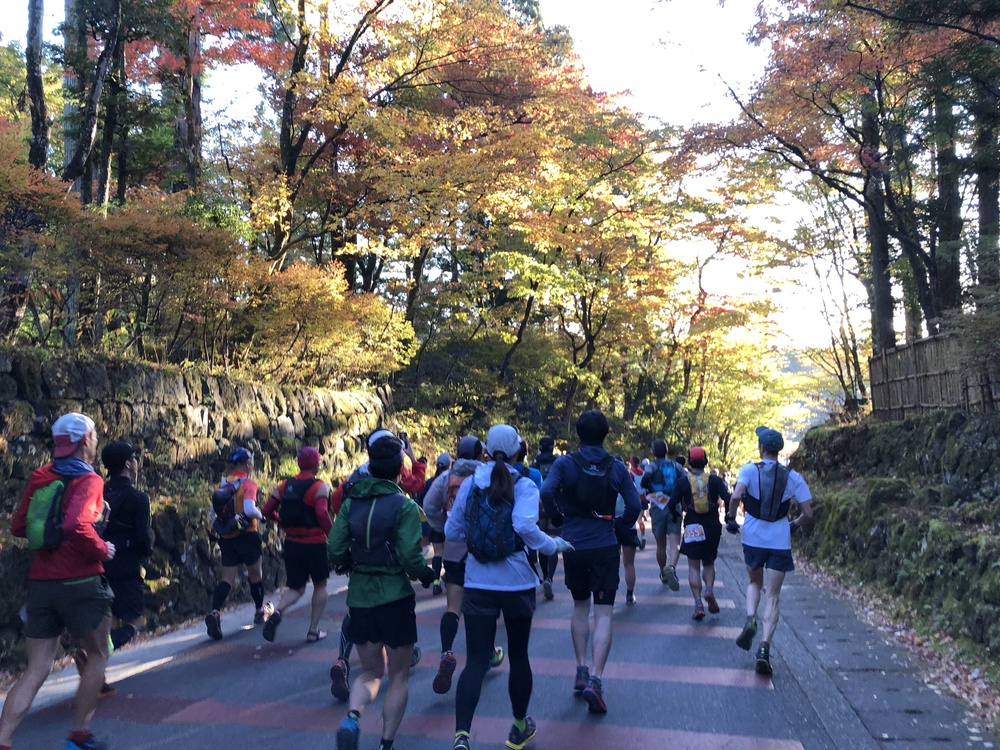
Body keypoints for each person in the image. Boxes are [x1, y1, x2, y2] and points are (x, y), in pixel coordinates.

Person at [445, 425, 573, 750]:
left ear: (485, 450)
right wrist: (552, 546)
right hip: (517, 582)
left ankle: (461, 736)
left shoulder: (472, 483)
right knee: (518, 656)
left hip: (476, 581)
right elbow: (523, 526)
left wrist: (480, 540)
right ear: (520, 451)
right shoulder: (525, 484)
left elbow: (452, 530)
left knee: (475, 660)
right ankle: (518, 726)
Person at [0, 413, 115, 750]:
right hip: (82, 582)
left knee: (37, 668)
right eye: (93, 434)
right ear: (84, 441)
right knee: (97, 654)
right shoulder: (90, 480)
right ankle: (79, 736)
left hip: (42, 582)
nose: (95, 439)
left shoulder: (41, 476)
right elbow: (76, 525)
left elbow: (20, 526)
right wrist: (101, 549)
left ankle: (3, 740)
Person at [328, 433, 436, 750]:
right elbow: (410, 556)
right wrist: (426, 575)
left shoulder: (351, 503)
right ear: (399, 471)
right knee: (399, 675)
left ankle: (352, 716)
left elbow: (334, 547)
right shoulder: (403, 506)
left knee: (371, 671)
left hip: (360, 598)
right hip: (395, 598)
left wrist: (350, 561)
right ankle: (385, 744)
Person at [539, 410, 641, 715]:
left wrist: (558, 515)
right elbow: (634, 504)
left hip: (573, 545)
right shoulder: (616, 466)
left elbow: (546, 491)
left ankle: (581, 668)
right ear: (606, 434)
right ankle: (596, 679)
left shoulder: (565, 463)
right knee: (605, 614)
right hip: (604, 546)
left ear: (578, 435)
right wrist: (622, 526)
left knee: (580, 606)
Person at [726, 426, 814, 676]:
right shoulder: (793, 477)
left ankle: (751, 617)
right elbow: (808, 513)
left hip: (753, 538)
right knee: (773, 595)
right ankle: (764, 648)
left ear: (761, 448)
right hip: (779, 540)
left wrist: (731, 519)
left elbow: (736, 496)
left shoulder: (749, 470)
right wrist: (793, 526)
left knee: (754, 582)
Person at [423, 435, 505, 696]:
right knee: (480, 606)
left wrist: (441, 527)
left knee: (453, 607)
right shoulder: (486, 477)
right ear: (482, 453)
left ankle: (447, 652)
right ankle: (488, 654)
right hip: (480, 551)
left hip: (454, 550)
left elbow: (428, 505)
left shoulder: (447, 478)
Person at [97, 440, 154, 695]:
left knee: (108, 620)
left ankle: (98, 678)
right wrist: (146, 552)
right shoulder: (138, 498)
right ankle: (92, 656)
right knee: (132, 623)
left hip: (98, 563)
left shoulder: (98, 492)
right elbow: (143, 538)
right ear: (129, 464)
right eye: (135, 458)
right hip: (127, 565)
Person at [261, 446, 333, 643]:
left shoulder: (284, 486)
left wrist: (281, 521)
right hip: (315, 543)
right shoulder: (320, 487)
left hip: (292, 543)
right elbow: (321, 513)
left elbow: (266, 510)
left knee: (296, 588)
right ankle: (313, 630)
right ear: (316, 463)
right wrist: (333, 535)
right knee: (320, 584)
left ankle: (278, 612)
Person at [205, 447, 266, 640]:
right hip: (248, 535)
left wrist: (223, 527)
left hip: (228, 537)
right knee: (256, 575)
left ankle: (215, 612)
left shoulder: (221, 484)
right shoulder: (248, 483)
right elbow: (249, 508)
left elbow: (211, 512)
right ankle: (258, 611)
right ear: (247, 463)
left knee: (227, 579)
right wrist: (262, 516)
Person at [679, 446, 731, 621]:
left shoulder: (683, 481)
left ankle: (698, 604)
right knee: (708, 563)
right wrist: (729, 516)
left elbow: (671, 503)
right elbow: (729, 498)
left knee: (693, 566)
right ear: (706, 461)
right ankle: (709, 589)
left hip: (692, 524)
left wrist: (676, 513)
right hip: (711, 526)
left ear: (689, 461)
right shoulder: (715, 480)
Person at [641, 439, 683, 591]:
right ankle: (671, 567)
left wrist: (648, 487)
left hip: (658, 505)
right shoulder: (676, 465)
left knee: (660, 544)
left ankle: (663, 572)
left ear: (653, 451)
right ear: (666, 450)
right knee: (675, 542)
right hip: (674, 504)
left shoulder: (651, 466)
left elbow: (645, 478)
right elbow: (684, 481)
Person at [531, 437, 560, 600]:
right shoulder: (559, 464)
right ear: (553, 447)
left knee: (542, 543)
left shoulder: (534, 466)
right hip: (555, 507)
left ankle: (544, 575)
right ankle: (550, 577)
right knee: (554, 542)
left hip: (538, 508)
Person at [628, 456, 648, 549]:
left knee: (633, 520)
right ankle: (643, 536)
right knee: (640, 519)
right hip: (643, 498)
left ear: (631, 463)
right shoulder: (643, 473)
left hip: (635, 499)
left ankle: (636, 539)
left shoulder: (630, 473)